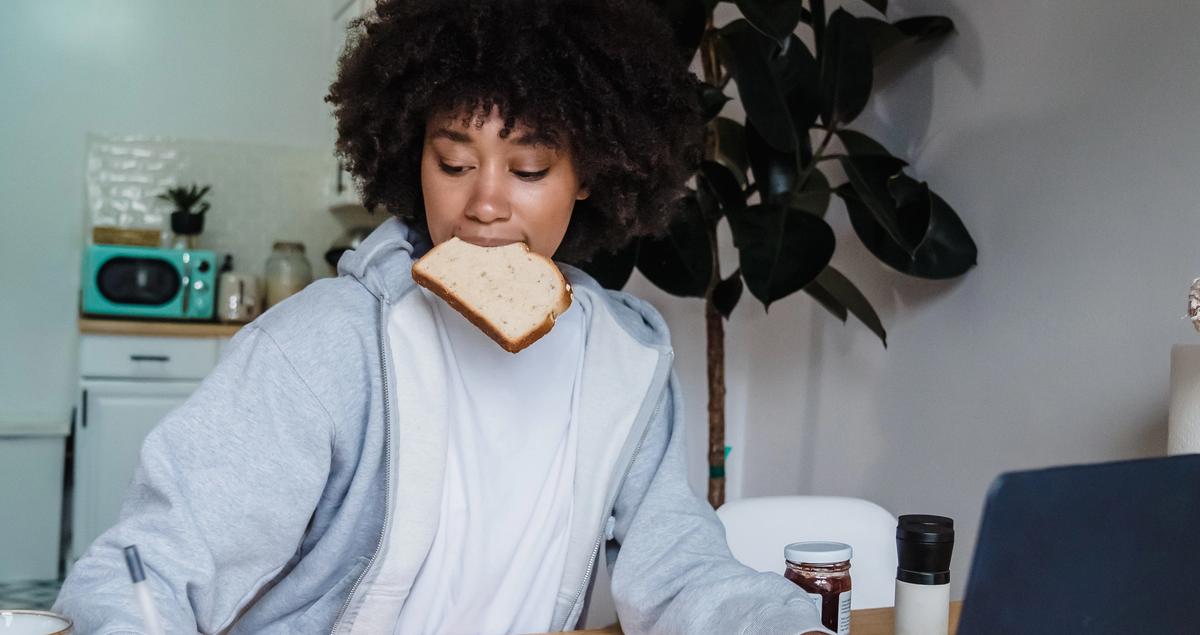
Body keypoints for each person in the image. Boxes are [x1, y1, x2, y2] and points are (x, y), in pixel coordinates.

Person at [54, 1, 828, 633]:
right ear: (408, 155)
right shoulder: (324, 346)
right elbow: (146, 574)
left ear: (591, 173)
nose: (484, 202)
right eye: (453, 162)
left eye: (528, 168)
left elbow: (679, 567)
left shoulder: (625, 360)